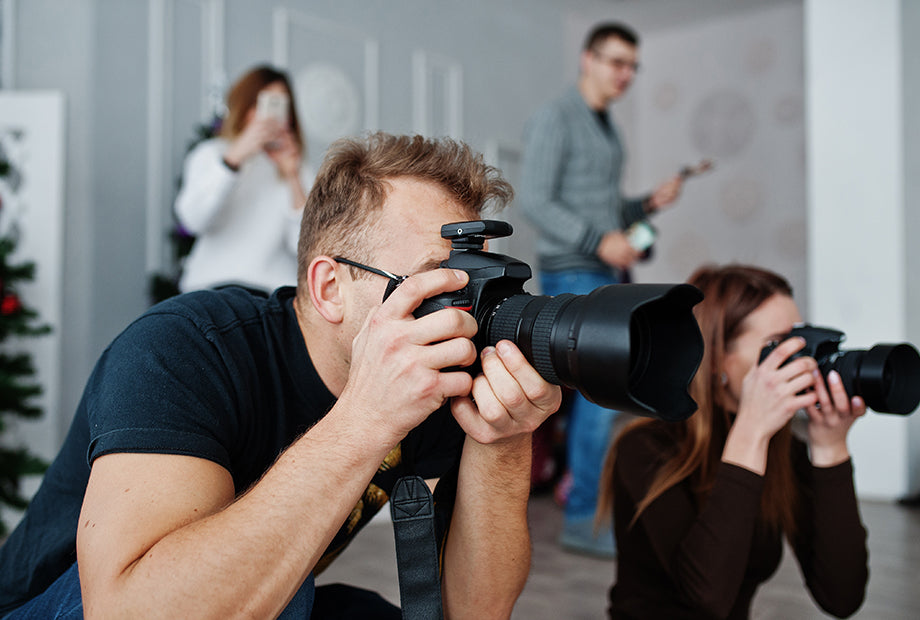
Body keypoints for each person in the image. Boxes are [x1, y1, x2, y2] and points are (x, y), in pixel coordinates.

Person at [0, 133, 562, 618]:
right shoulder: (185, 349)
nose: (466, 310)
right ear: (329, 288)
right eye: (440, 283)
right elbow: (128, 610)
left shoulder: (440, 369)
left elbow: (475, 611)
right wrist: (365, 419)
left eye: (477, 284)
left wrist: (504, 441)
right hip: (63, 604)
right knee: (276, 592)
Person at [598, 264, 869, 619]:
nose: (800, 362)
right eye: (778, 345)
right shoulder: (646, 448)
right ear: (714, 359)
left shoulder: (783, 450)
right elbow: (708, 597)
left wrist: (830, 448)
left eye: (800, 341)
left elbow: (842, 596)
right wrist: (750, 434)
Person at [519, 21, 682, 557]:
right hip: (573, 271)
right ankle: (585, 516)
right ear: (588, 59)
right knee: (600, 399)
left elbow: (605, 210)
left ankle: (589, 508)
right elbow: (536, 201)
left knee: (607, 396)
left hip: (601, 271)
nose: (626, 75)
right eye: (617, 62)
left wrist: (645, 206)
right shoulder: (556, 117)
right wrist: (599, 240)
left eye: (633, 66)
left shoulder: (606, 126)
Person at [174, 65, 313, 294]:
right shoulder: (212, 153)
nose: (272, 116)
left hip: (271, 293)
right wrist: (234, 158)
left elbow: (305, 246)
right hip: (210, 289)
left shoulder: (298, 169)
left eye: (281, 106)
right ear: (245, 107)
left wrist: (293, 176)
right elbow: (193, 220)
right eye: (265, 104)